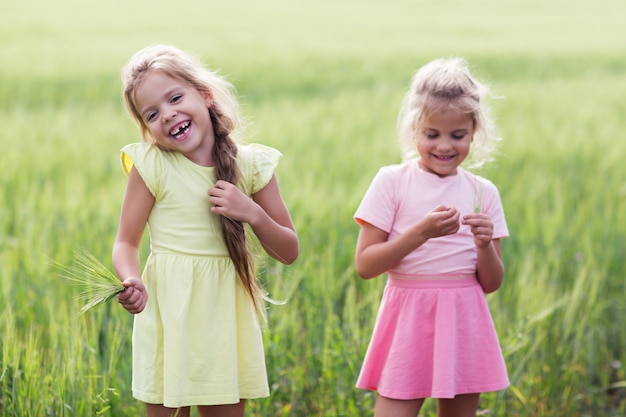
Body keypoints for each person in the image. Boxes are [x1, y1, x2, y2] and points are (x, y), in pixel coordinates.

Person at [112, 44, 299, 417]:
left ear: (206, 95)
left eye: (175, 98)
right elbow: (125, 243)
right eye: (152, 113)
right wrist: (132, 280)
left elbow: (289, 250)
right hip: (168, 313)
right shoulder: (151, 166)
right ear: (147, 128)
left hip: (224, 318)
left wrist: (252, 214)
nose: (168, 115)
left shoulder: (251, 165)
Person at [353, 57, 509, 417]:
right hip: (408, 315)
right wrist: (420, 233)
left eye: (458, 136)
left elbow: (492, 282)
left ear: (474, 132)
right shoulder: (392, 182)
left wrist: (485, 246)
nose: (444, 146)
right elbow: (365, 265)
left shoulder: (483, 192)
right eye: (432, 134)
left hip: (464, 318)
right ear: (413, 129)